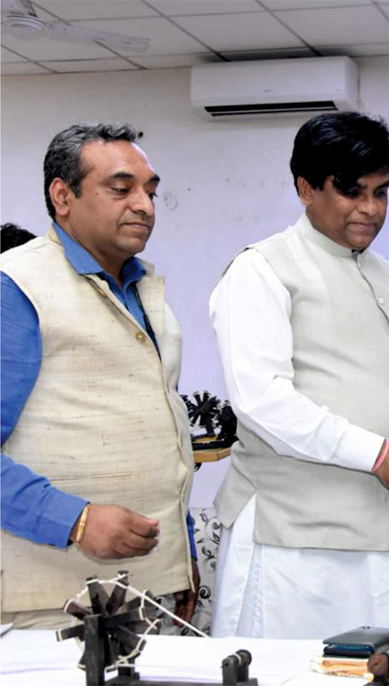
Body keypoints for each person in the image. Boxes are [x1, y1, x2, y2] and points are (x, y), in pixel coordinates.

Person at [209, 112, 389, 640]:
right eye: (352, 191)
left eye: (381, 192)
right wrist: (382, 456)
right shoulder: (262, 270)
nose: (370, 209)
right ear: (306, 188)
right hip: (300, 545)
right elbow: (263, 401)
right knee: (299, 674)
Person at [1, 124, 199, 629]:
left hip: (152, 590)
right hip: (51, 603)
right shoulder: (16, 288)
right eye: (121, 189)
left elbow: (166, 434)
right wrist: (75, 520)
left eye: (150, 192)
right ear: (63, 196)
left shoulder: (143, 289)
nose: (144, 206)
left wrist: (182, 554)